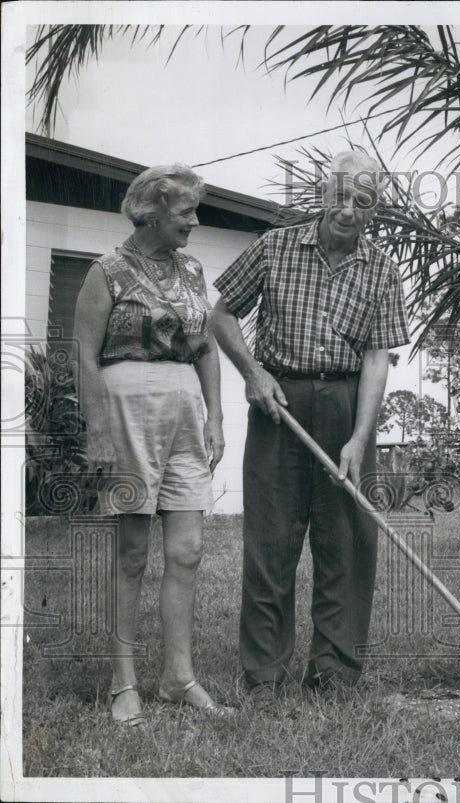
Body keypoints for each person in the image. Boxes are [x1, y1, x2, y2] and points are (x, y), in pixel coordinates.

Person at [211, 151, 410, 703]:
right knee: (271, 540)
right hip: (280, 402)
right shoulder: (274, 247)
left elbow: (376, 359)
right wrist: (253, 373)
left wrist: (358, 438)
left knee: (346, 542)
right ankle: (264, 677)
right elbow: (221, 316)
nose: (349, 209)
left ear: (375, 208)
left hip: (347, 404)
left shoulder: (382, 269)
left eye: (363, 200)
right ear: (324, 195)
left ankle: (334, 676)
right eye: (341, 196)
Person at [74, 164, 228, 726]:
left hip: (185, 409)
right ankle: (123, 681)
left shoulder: (191, 270)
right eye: (186, 211)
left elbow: (205, 348)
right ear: (153, 211)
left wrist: (215, 419)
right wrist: (96, 431)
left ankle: (177, 677)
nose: (194, 221)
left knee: (187, 549)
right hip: (127, 408)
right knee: (133, 551)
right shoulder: (106, 271)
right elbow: (85, 356)